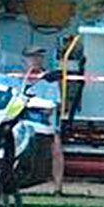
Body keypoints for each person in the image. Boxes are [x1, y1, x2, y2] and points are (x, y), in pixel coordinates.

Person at [21, 46, 65, 194]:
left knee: (56, 147)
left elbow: (51, 107)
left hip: (41, 121)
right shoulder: (17, 78)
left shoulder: (49, 80)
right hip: (19, 119)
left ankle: (58, 188)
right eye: (31, 57)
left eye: (39, 57)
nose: (35, 60)